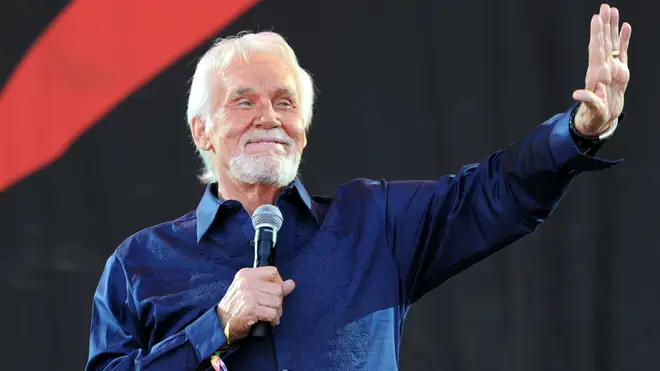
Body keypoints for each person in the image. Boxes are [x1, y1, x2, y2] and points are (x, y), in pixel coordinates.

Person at [85, 4, 631, 371]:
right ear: (201, 129)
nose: (269, 117)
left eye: (285, 101)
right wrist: (217, 326)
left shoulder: (375, 224)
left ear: (304, 126)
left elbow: (493, 193)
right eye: (244, 101)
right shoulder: (138, 266)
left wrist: (582, 131)